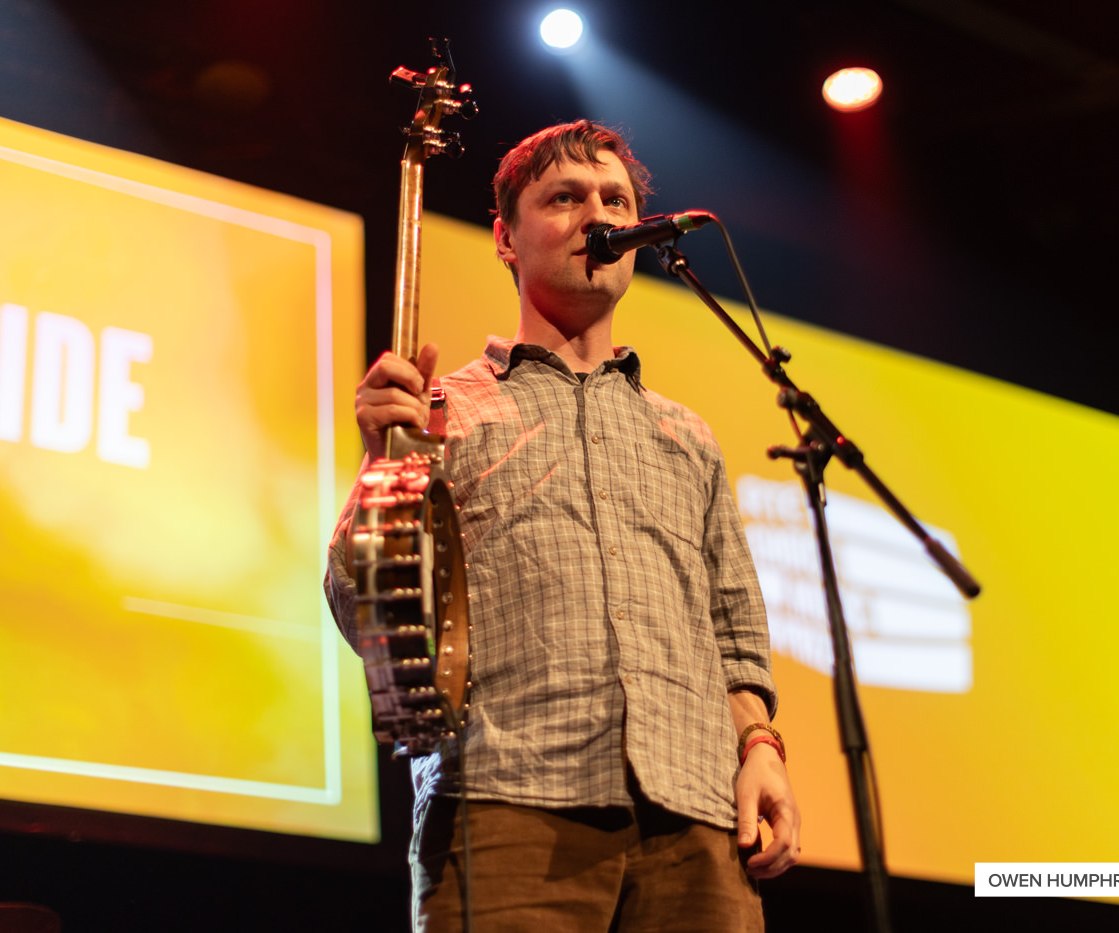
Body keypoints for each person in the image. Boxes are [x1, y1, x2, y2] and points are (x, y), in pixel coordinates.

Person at [324, 120, 800, 931]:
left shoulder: (686, 433)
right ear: (506, 239)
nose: (597, 214)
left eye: (614, 198)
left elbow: (735, 630)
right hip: (507, 800)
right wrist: (382, 464)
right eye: (566, 198)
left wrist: (760, 749)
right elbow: (362, 605)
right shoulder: (442, 412)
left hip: (696, 814)